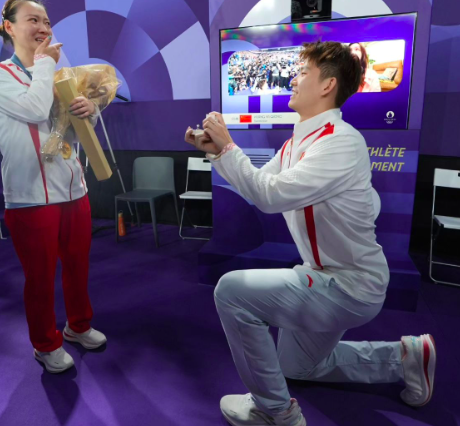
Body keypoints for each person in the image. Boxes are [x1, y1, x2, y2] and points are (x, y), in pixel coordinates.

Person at [185, 41, 436, 426]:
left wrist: (230, 145)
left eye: (303, 72)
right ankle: (404, 356)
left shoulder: (340, 141)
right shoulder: (296, 143)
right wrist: (218, 152)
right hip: (324, 275)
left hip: (352, 285)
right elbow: (258, 187)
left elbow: (268, 196)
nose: (293, 79)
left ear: (327, 86)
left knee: (231, 292)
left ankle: (276, 412)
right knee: (297, 366)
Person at [0, 0, 107, 374]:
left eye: (46, 20)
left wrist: (89, 111)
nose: (43, 27)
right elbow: (35, 110)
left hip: (73, 187)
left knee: (78, 265)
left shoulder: (56, 73)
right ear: (9, 28)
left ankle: (78, 325)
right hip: (30, 196)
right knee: (39, 277)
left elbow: (72, 132)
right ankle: (45, 343)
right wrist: (47, 63)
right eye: (33, 20)